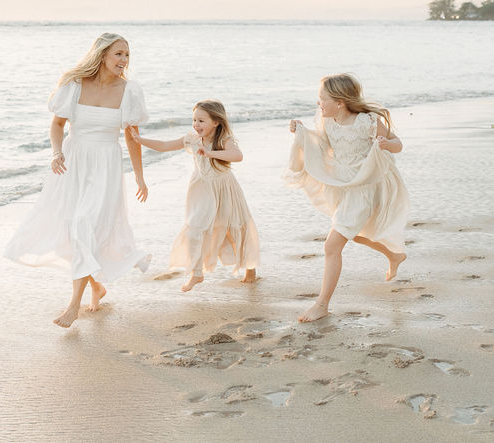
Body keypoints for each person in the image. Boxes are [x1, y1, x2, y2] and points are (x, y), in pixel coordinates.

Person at [4, 33, 151, 328]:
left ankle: (73, 306)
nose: (123, 61)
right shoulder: (74, 85)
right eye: (118, 54)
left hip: (106, 165)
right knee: (75, 229)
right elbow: (58, 124)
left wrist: (139, 176)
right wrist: (56, 153)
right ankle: (96, 284)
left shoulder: (129, 91)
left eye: (127, 55)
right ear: (102, 55)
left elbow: (132, 138)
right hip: (74, 163)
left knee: (85, 224)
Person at [285, 73, 409, 322]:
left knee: (332, 245)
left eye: (323, 99)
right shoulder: (328, 120)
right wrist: (301, 133)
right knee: (358, 235)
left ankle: (321, 305)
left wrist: (386, 144)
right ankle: (393, 255)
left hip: (365, 188)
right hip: (344, 187)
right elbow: (321, 145)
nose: (319, 103)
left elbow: (398, 144)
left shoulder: (368, 122)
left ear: (340, 102)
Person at [129, 100, 259, 292]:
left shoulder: (224, 140)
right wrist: (140, 140)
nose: (196, 125)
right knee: (195, 228)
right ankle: (197, 273)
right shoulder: (191, 139)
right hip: (202, 191)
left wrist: (210, 153)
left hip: (225, 190)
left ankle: (250, 268)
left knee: (235, 228)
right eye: (194, 120)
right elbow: (165, 145)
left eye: (201, 121)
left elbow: (237, 156)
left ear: (216, 122)